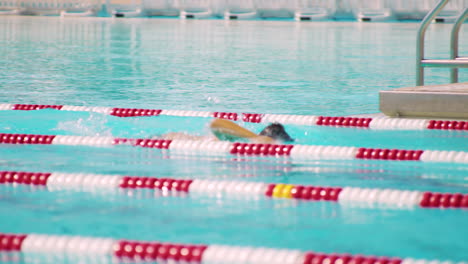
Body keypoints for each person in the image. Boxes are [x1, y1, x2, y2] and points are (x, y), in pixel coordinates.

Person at [161, 118, 294, 144]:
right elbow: (216, 123)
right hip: (164, 141)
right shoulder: (245, 139)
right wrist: (255, 138)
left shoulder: (236, 141)